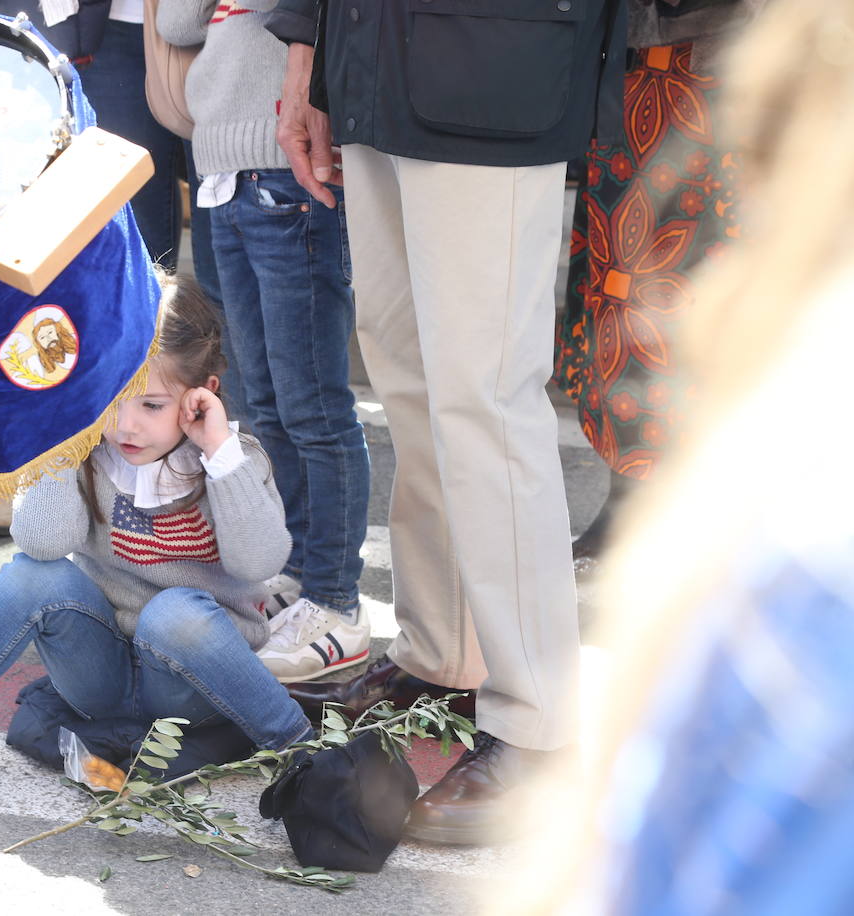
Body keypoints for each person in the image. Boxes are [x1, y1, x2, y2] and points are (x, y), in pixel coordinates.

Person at [506, 1, 854, 908]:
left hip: (726, 50)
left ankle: (672, 507)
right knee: (634, 289)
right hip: (647, 49)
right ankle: (637, 503)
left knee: (705, 289)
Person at [263, 0, 624, 843]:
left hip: (492, 58)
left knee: (487, 401)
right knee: (411, 381)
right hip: (369, 54)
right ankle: (444, 652)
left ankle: (541, 724)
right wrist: (309, 56)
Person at [0, 278, 312, 782]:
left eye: (150, 405)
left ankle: (298, 746)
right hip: (101, 679)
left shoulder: (233, 461)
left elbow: (260, 564)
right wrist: (67, 430)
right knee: (29, 575)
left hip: (192, 686)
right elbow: (44, 544)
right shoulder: (90, 449)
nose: (126, 425)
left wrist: (219, 452)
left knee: (175, 613)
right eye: (111, 397)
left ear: (203, 395)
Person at [155, 0, 370, 684]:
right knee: (271, 404)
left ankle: (336, 601)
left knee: (315, 407)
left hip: (288, 166)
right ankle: (298, 575)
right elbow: (178, 25)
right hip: (222, 168)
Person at [553, 0, 763, 573]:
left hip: (732, 53)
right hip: (627, 50)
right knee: (622, 284)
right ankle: (629, 499)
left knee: (716, 284)